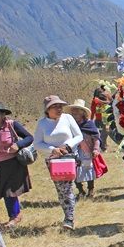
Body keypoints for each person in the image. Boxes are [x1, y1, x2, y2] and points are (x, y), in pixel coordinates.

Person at [34, 95, 83, 230]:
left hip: (69, 157)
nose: (58, 109)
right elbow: (37, 143)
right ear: (47, 109)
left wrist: (67, 146)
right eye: (54, 106)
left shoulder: (68, 118)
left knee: (66, 188)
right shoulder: (42, 123)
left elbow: (79, 136)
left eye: (60, 106)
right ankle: (67, 213)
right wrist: (52, 149)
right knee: (60, 189)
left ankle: (69, 218)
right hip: (52, 160)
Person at [0, 101, 33, 228]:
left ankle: (14, 216)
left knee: (10, 191)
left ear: (3, 115)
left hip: (12, 164)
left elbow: (29, 137)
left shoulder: (12, 125)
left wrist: (18, 145)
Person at [66, 99, 101, 199]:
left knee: (88, 170)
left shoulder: (89, 125)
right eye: (73, 110)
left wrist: (96, 149)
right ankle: (80, 191)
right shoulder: (69, 125)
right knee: (74, 171)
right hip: (73, 152)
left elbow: (96, 137)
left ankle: (91, 190)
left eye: (78, 110)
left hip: (86, 152)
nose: (75, 112)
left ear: (83, 112)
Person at [90, 86, 111, 151]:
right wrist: (90, 121)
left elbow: (110, 103)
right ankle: (101, 147)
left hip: (106, 120)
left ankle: (103, 147)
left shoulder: (106, 99)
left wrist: (101, 101)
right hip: (98, 120)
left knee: (104, 134)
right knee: (98, 134)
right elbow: (93, 110)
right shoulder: (95, 101)